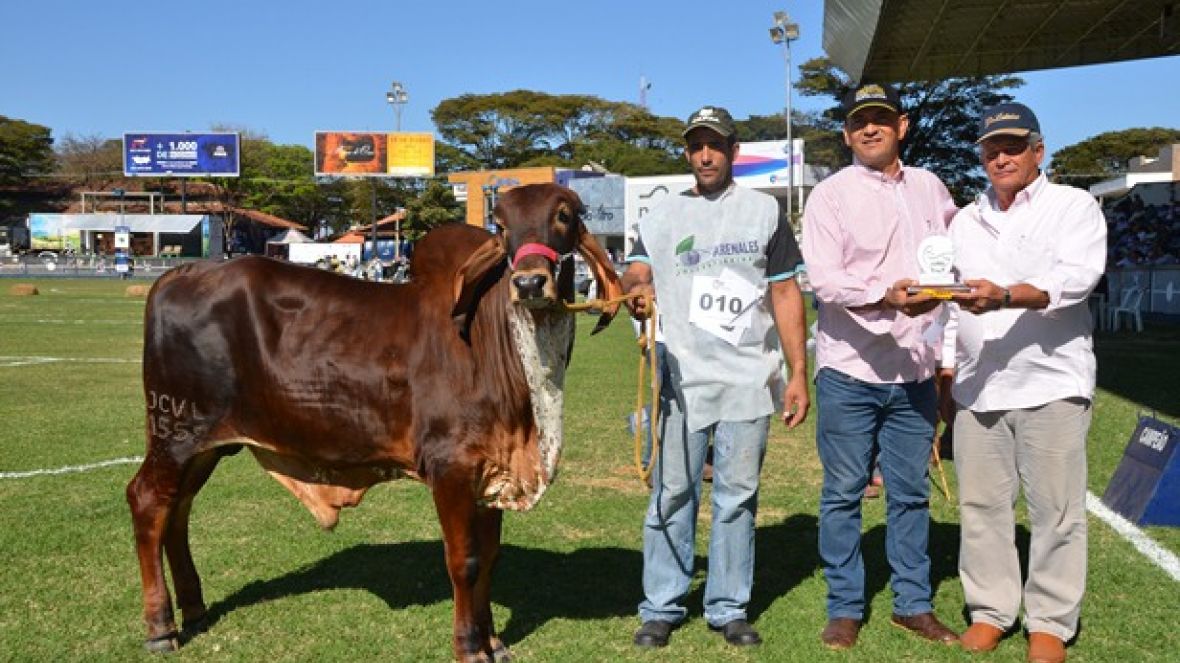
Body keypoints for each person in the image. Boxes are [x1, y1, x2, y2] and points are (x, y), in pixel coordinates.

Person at [622, 105, 810, 649]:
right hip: (682, 377)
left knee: (737, 496)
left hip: (749, 377)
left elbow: (785, 292)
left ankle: (728, 607)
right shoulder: (663, 215)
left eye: (715, 146)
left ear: (733, 152)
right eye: (696, 146)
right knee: (673, 491)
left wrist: (799, 373)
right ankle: (662, 605)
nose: (705, 156)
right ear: (688, 153)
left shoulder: (764, 212)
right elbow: (637, 269)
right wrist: (637, 288)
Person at [942, 102, 1105, 663]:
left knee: (1055, 510)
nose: (1001, 157)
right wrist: (946, 367)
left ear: (1039, 151)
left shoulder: (1073, 206)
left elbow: (1077, 280)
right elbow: (955, 302)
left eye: (1013, 147)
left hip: (1050, 381)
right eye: (992, 149)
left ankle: (1050, 622)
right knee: (980, 507)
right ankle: (990, 611)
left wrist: (1008, 295)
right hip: (978, 385)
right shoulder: (964, 220)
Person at [800, 83, 960, 650]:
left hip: (914, 370)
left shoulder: (931, 188)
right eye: (859, 121)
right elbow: (825, 280)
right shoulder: (830, 196)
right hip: (850, 369)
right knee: (844, 492)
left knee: (911, 492)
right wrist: (885, 296)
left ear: (902, 126)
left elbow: (951, 264)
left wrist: (946, 346)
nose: (870, 129)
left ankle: (912, 605)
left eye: (881, 119)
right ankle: (845, 607)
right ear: (847, 134)